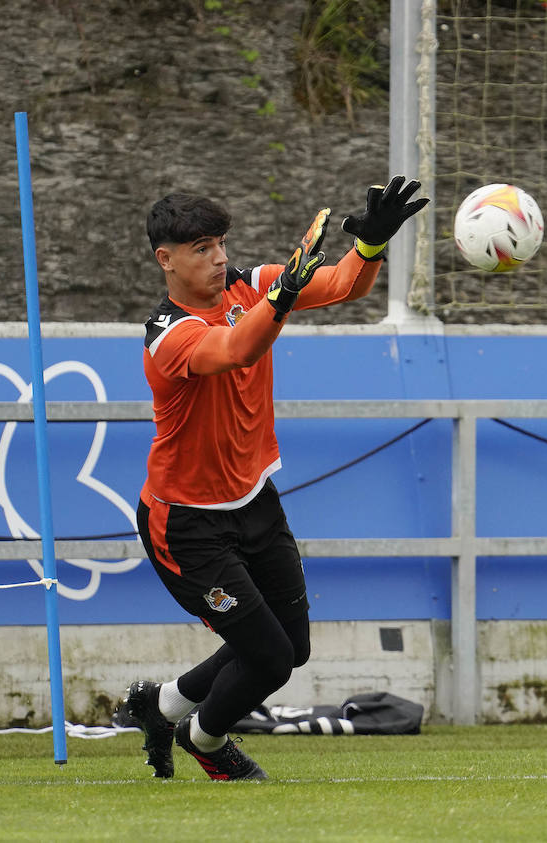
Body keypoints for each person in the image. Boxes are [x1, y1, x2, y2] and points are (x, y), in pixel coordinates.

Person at [116, 177, 428, 780]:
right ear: (166, 259)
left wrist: (369, 247)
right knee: (270, 657)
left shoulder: (248, 286)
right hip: (185, 525)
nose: (220, 258)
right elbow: (236, 349)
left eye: (221, 244)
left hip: (255, 501)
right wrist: (281, 295)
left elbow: (339, 286)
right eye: (202, 248)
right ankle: (205, 741)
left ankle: (161, 706)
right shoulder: (166, 335)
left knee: (290, 645)